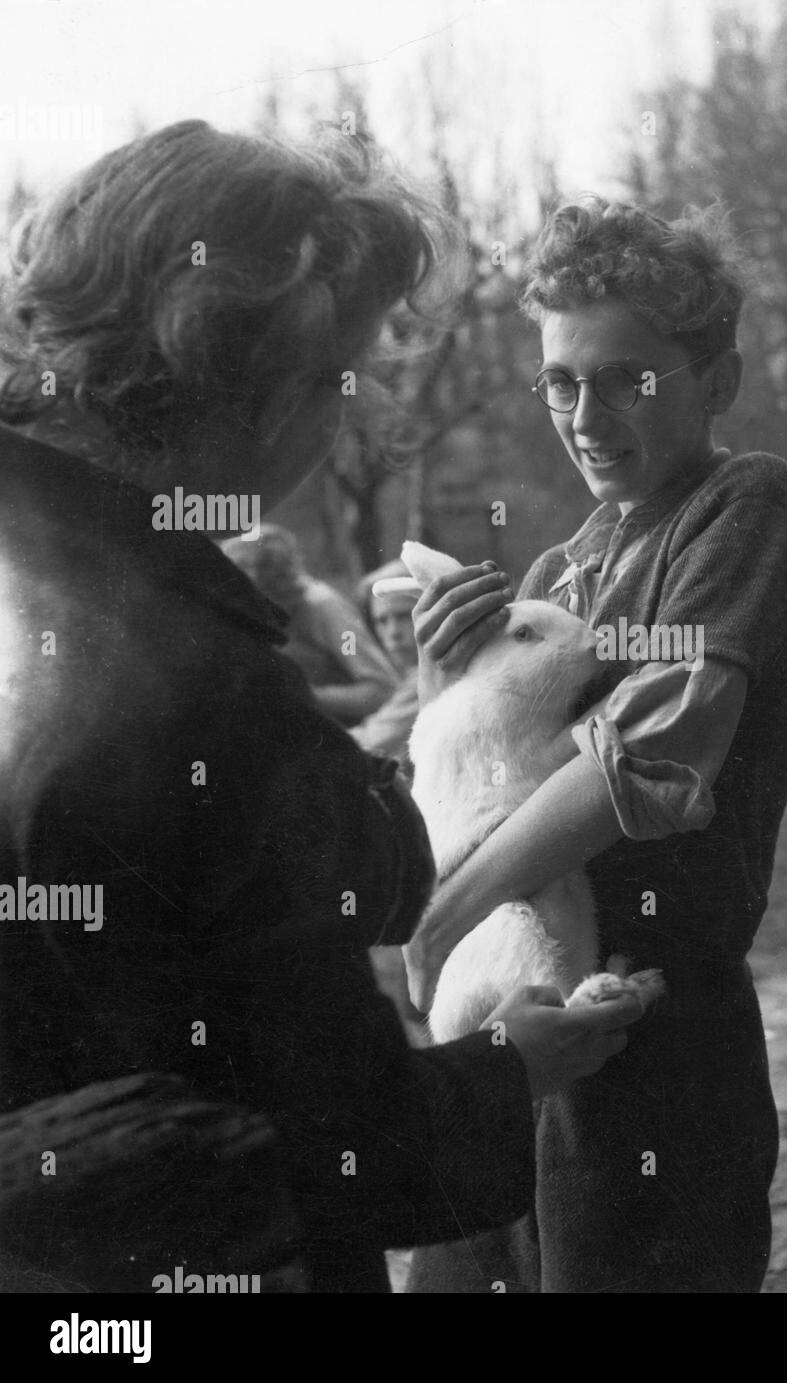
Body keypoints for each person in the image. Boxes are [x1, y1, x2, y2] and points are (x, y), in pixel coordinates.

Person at [0, 120, 643, 1293]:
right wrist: (511, 1066)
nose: (349, 416)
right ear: (255, 385)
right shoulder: (209, 692)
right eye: (342, 377)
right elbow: (345, 1148)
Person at [403, 197, 787, 1292]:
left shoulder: (745, 506)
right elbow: (475, 781)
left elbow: (645, 760)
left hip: (657, 1035)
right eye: (560, 380)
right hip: (516, 1029)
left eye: (624, 378)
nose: (585, 414)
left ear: (716, 383)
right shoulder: (555, 575)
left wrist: (447, 914)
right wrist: (441, 680)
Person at [222, 524, 398, 728]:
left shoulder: (325, 609)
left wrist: (302, 694)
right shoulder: (246, 610)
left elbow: (381, 690)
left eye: (244, 568)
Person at [350, 557, 422, 773]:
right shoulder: (414, 672)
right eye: (382, 621)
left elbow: (373, 741)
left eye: (403, 616)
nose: (393, 633)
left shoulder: (434, 671)